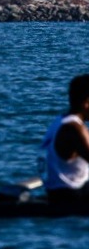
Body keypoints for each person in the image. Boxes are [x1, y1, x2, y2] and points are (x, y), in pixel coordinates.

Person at [40, 73, 89, 204]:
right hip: (71, 195)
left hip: (58, 191)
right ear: (86, 103)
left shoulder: (60, 120)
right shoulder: (73, 129)